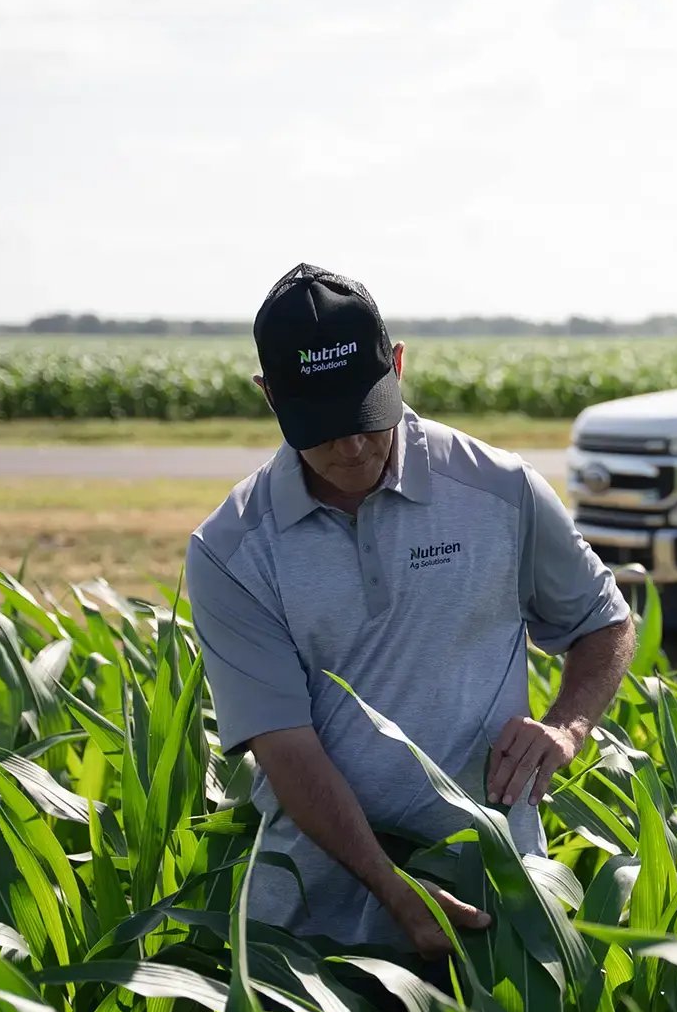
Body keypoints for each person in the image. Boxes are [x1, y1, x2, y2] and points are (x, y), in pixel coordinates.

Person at [185, 263, 635, 970]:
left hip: (495, 904)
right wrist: (392, 888)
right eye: (323, 427)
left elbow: (603, 619)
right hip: (311, 934)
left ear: (396, 365)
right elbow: (287, 750)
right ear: (269, 396)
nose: (354, 446)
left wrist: (567, 726)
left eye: (365, 417)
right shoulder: (233, 550)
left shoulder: (498, 488)